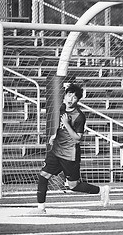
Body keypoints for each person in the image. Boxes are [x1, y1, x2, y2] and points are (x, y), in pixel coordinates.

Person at [34, 83, 110, 214]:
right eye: (69, 95)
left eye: (74, 97)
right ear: (65, 96)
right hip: (56, 150)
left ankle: (102, 190)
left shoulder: (79, 116)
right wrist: (55, 135)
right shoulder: (63, 108)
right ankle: (41, 208)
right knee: (43, 176)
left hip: (70, 154)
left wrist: (67, 124)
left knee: (73, 186)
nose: (71, 99)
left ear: (78, 100)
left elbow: (77, 138)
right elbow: (61, 127)